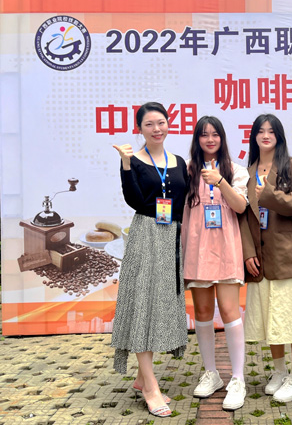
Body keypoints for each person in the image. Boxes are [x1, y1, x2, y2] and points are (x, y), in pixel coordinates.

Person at [111, 102, 189, 418]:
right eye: (149, 124)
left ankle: (142, 379)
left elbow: (184, 201)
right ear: (140, 129)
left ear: (168, 124)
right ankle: (151, 387)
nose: (157, 129)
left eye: (161, 122)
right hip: (145, 235)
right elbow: (133, 199)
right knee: (143, 305)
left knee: (160, 306)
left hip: (172, 238)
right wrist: (125, 163)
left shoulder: (179, 162)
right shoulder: (134, 160)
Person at [239, 113, 292, 403]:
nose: (266, 135)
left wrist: (269, 194)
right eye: (261, 131)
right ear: (254, 136)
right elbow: (243, 216)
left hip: (287, 253)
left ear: (279, 136)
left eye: (271, 131)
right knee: (272, 317)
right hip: (260, 255)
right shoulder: (248, 171)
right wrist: (247, 252)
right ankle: (280, 372)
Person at [181, 116, 249, 410]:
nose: (210, 140)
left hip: (226, 248)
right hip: (197, 248)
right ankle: (211, 373)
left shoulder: (236, 170)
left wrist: (220, 181)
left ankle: (238, 378)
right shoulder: (186, 170)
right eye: (204, 135)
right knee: (203, 312)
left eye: (215, 134)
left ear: (222, 138)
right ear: (197, 140)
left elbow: (241, 206)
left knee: (231, 311)